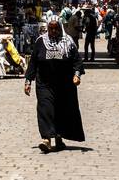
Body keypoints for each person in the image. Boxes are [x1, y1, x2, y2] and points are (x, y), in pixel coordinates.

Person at [24, 15, 85, 153]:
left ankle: (58, 136)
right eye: (50, 28)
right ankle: (46, 139)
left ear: (60, 28)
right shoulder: (41, 42)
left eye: (55, 28)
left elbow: (77, 62)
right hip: (44, 84)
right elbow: (33, 63)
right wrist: (28, 81)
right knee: (45, 109)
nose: (53, 31)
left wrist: (77, 75)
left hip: (64, 85)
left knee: (61, 111)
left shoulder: (68, 42)